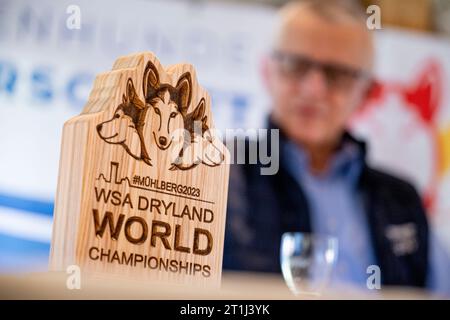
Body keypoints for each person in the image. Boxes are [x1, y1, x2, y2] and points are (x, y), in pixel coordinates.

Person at [223, 0, 450, 294]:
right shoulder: (218, 175)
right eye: (296, 65)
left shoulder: (402, 199)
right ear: (268, 72)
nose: (314, 89)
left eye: (338, 74)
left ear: (366, 94)